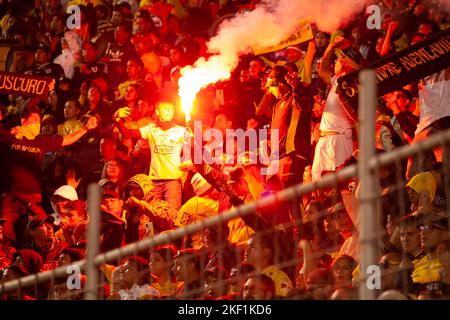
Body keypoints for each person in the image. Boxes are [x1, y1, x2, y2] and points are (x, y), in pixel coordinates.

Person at [114, 101, 191, 210]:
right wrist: (117, 118)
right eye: (165, 108)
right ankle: (149, 228)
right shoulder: (151, 129)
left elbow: (193, 148)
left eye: (171, 109)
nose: (169, 111)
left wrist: (190, 141)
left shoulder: (181, 130)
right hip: (154, 181)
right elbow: (127, 133)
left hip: (173, 180)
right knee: (150, 216)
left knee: (172, 216)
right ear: (157, 111)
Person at [311, 38, 361, 181]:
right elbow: (322, 69)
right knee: (317, 184)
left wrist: (343, 98)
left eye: (338, 60)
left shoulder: (355, 85)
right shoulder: (336, 81)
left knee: (340, 185)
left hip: (339, 139)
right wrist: (331, 46)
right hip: (324, 139)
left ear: (346, 63)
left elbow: (358, 118)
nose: (334, 63)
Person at [259, 65, 314, 187]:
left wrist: (297, 87)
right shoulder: (277, 104)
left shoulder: (295, 98)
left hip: (291, 157)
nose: (270, 91)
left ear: (281, 84)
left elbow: (305, 104)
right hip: (276, 159)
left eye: (272, 87)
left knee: (290, 200)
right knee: (274, 200)